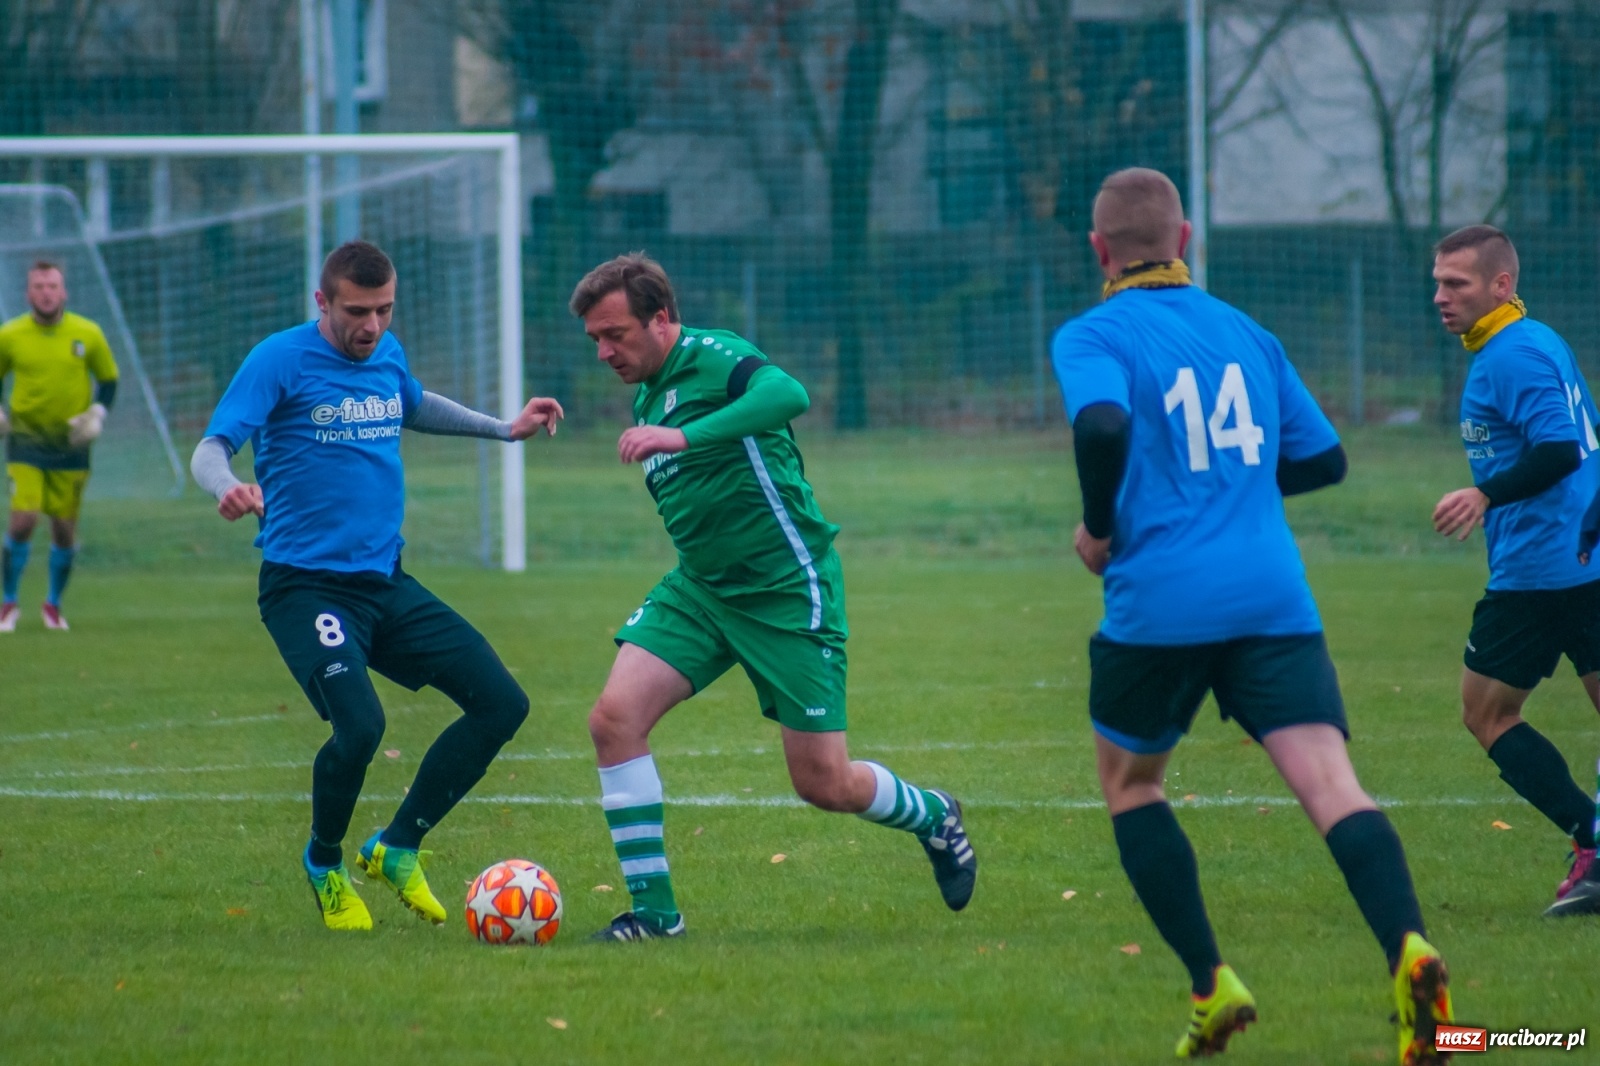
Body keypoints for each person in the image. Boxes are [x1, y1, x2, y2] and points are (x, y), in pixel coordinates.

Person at [1053, 168, 1452, 1063]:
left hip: (1161, 601)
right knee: (1331, 785)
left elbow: (1104, 429)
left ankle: (1211, 984)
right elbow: (1324, 461)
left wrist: (1103, 526)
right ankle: (1411, 949)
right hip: (1274, 594)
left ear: (1099, 249)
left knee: (1133, 785)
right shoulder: (1248, 332)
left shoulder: (1092, 334)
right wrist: (1230, 489)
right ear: (1184, 237)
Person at [569, 252, 976, 943]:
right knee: (613, 720)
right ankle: (656, 917)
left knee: (824, 783)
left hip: (787, 590)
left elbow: (789, 395)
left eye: (617, 334)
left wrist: (683, 435)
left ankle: (934, 814)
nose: (606, 351)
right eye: (596, 341)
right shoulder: (648, 389)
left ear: (661, 318)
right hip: (701, 588)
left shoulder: (714, 355)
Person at [190, 240, 563, 932]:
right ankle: (325, 862)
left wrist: (505, 430)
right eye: (357, 312)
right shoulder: (281, 358)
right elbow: (210, 447)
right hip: (305, 590)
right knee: (360, 728)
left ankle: (396, 846)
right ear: (322, 302)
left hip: (385, 585)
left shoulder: (386, 354)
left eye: (384, 310)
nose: (372, 326)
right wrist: (229, 486)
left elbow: (414, 405)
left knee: (501, 705)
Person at [1429, 224, 1600, 919]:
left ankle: (1591, 837)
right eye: (1437, 282)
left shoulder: (1512, 355)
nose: (1440, 296)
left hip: (1545, 569)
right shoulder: (1532, 340)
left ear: (1501, 285)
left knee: (1487, 711)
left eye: (1456, 284)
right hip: (1575, 556)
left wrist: (1485, 492)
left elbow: (1561, 448)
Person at [0, 260, 118, 631]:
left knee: (64, 530)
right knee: (23, 519)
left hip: (71, 446)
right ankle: (9, 602)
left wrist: (97, 413)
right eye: (38, 286)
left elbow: (109, 380)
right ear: (28, 293)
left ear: (63, 292)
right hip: (25, 441)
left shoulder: (88, 333)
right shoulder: (11, 335)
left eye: (52, 286)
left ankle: (52, 604)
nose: (46, 293)